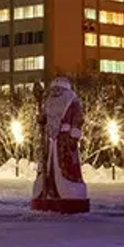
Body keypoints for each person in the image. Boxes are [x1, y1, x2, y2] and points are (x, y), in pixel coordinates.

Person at [32, 77, 88, 206]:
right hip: (52, 139)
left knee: (64, 165)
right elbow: (45, 118)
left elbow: (77, 119)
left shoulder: (71, 101)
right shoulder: (50, 101)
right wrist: (41, 119)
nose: (56, 92)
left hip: (63, 138)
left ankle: (66, 192)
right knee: (49, 166)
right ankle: (49, 190)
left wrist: (74, 135)